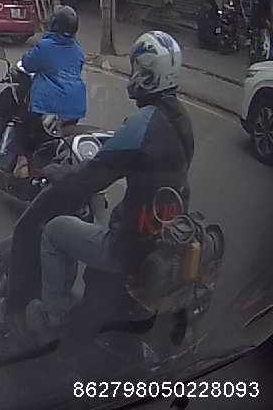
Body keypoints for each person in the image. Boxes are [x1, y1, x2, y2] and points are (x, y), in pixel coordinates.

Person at [26, 31, 192, 336]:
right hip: (162, 234)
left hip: (129, 244)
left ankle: (54, 315)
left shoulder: (143, 124)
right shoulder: (181, 119)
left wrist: (59, 173)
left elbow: (92, 177)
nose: (132, 75)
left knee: (55, 231)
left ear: (146, 74)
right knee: (103, 213)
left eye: (136, 69)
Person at [2, 5, 87, 175]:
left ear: (54, 24)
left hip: (47, 105)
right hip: (74, 109)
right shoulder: (78, 50)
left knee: (23, 125)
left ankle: (23, 163)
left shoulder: (46, 46)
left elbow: (27, 63)